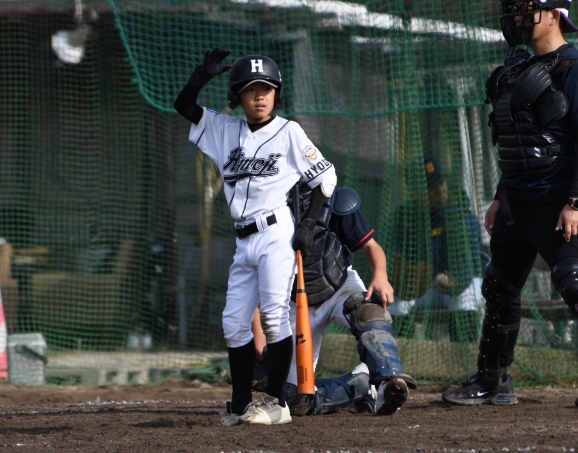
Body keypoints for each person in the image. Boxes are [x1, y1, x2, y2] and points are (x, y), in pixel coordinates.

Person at [174, 48, 337, 425]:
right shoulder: (224, 130)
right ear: (238, 96)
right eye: (250, 90)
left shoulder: (289, 131)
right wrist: (200, 77)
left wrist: (308, 225)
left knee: (275, 319)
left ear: (277, 93)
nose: (259, 96)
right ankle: (241, 404)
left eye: (266, 88)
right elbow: (184, 106)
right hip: (243, 239)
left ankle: (277, 403)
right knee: (233, 323)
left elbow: (325, 180)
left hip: (276, 233)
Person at [442, 0, 578, 406]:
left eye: (527, 8)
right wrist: (501, 197)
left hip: (556, 199)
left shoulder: (572, 67)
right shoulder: (516, 71)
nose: (517, 17)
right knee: (499, 288)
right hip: (516, 198)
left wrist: (574, 202)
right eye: (514, 9)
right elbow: (514, 142)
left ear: (554, 14)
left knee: (573, 284)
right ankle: (492, 380)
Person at [242, 184, 417, 416]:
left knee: (370, 314)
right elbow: (253, 276)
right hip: (291, 302)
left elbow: (371, 247)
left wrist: (381, 276)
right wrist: (259, 332)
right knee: (295, 400)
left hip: (339, 286)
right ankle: (358, 386)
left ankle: (389, 381)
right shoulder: (263, 207)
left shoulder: (333, 198)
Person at [389, 155, 485, 343]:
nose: (440, 190)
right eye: (431, 187)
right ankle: (398, 354)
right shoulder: (403, 219)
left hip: (463, 281)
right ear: (415, 193)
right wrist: (402, 278)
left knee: (465, 297)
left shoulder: (460, 213)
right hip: (425, 287)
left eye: (441, 183)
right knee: (392, 300)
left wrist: (458, 281)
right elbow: (392, 255)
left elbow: (468, 262)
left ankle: (464, 355)